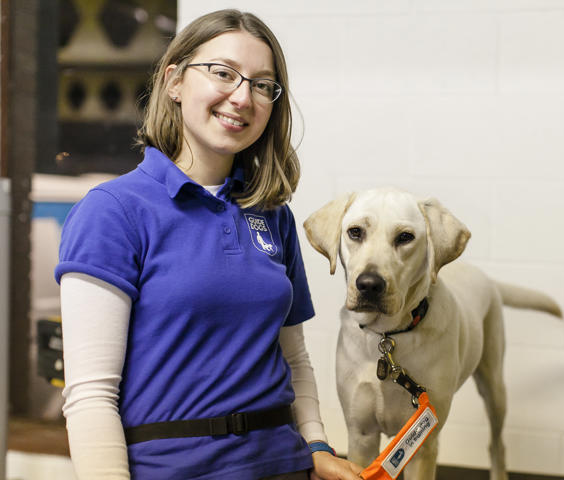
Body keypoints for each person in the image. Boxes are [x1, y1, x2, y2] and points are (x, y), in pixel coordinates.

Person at [55, 9, 363, 480]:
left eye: (263, 85)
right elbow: (91, 394)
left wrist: (317, 443)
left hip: (284, 465)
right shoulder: (113, 211)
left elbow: (293, 358)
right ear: (174, 81)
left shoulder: (273, 214)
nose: (242, 97)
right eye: (223, 73)